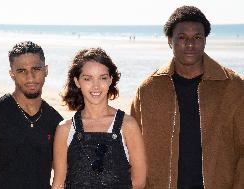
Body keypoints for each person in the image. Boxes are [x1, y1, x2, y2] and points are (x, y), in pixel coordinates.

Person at [131, 5, 244, 189]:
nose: (190, 44)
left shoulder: (234, 87)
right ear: (170, 40)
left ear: (205, 40)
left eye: (197, 37)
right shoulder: (148, 90)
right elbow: (133, 151)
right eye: (182, 37)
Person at [0, 41, 63, 189]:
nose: (30, 77)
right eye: (22, 70)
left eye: (36, 68)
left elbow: (61, 171)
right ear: (12, 74)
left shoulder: (55, 121)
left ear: (46, 70)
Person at [52, 47, 146, 189]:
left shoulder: (127, 125)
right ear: (77, 82)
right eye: (87, 78)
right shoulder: (65, 129)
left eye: (102, 78)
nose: (96, 86)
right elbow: (59, 184)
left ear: (110, 80)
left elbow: (139, 182)